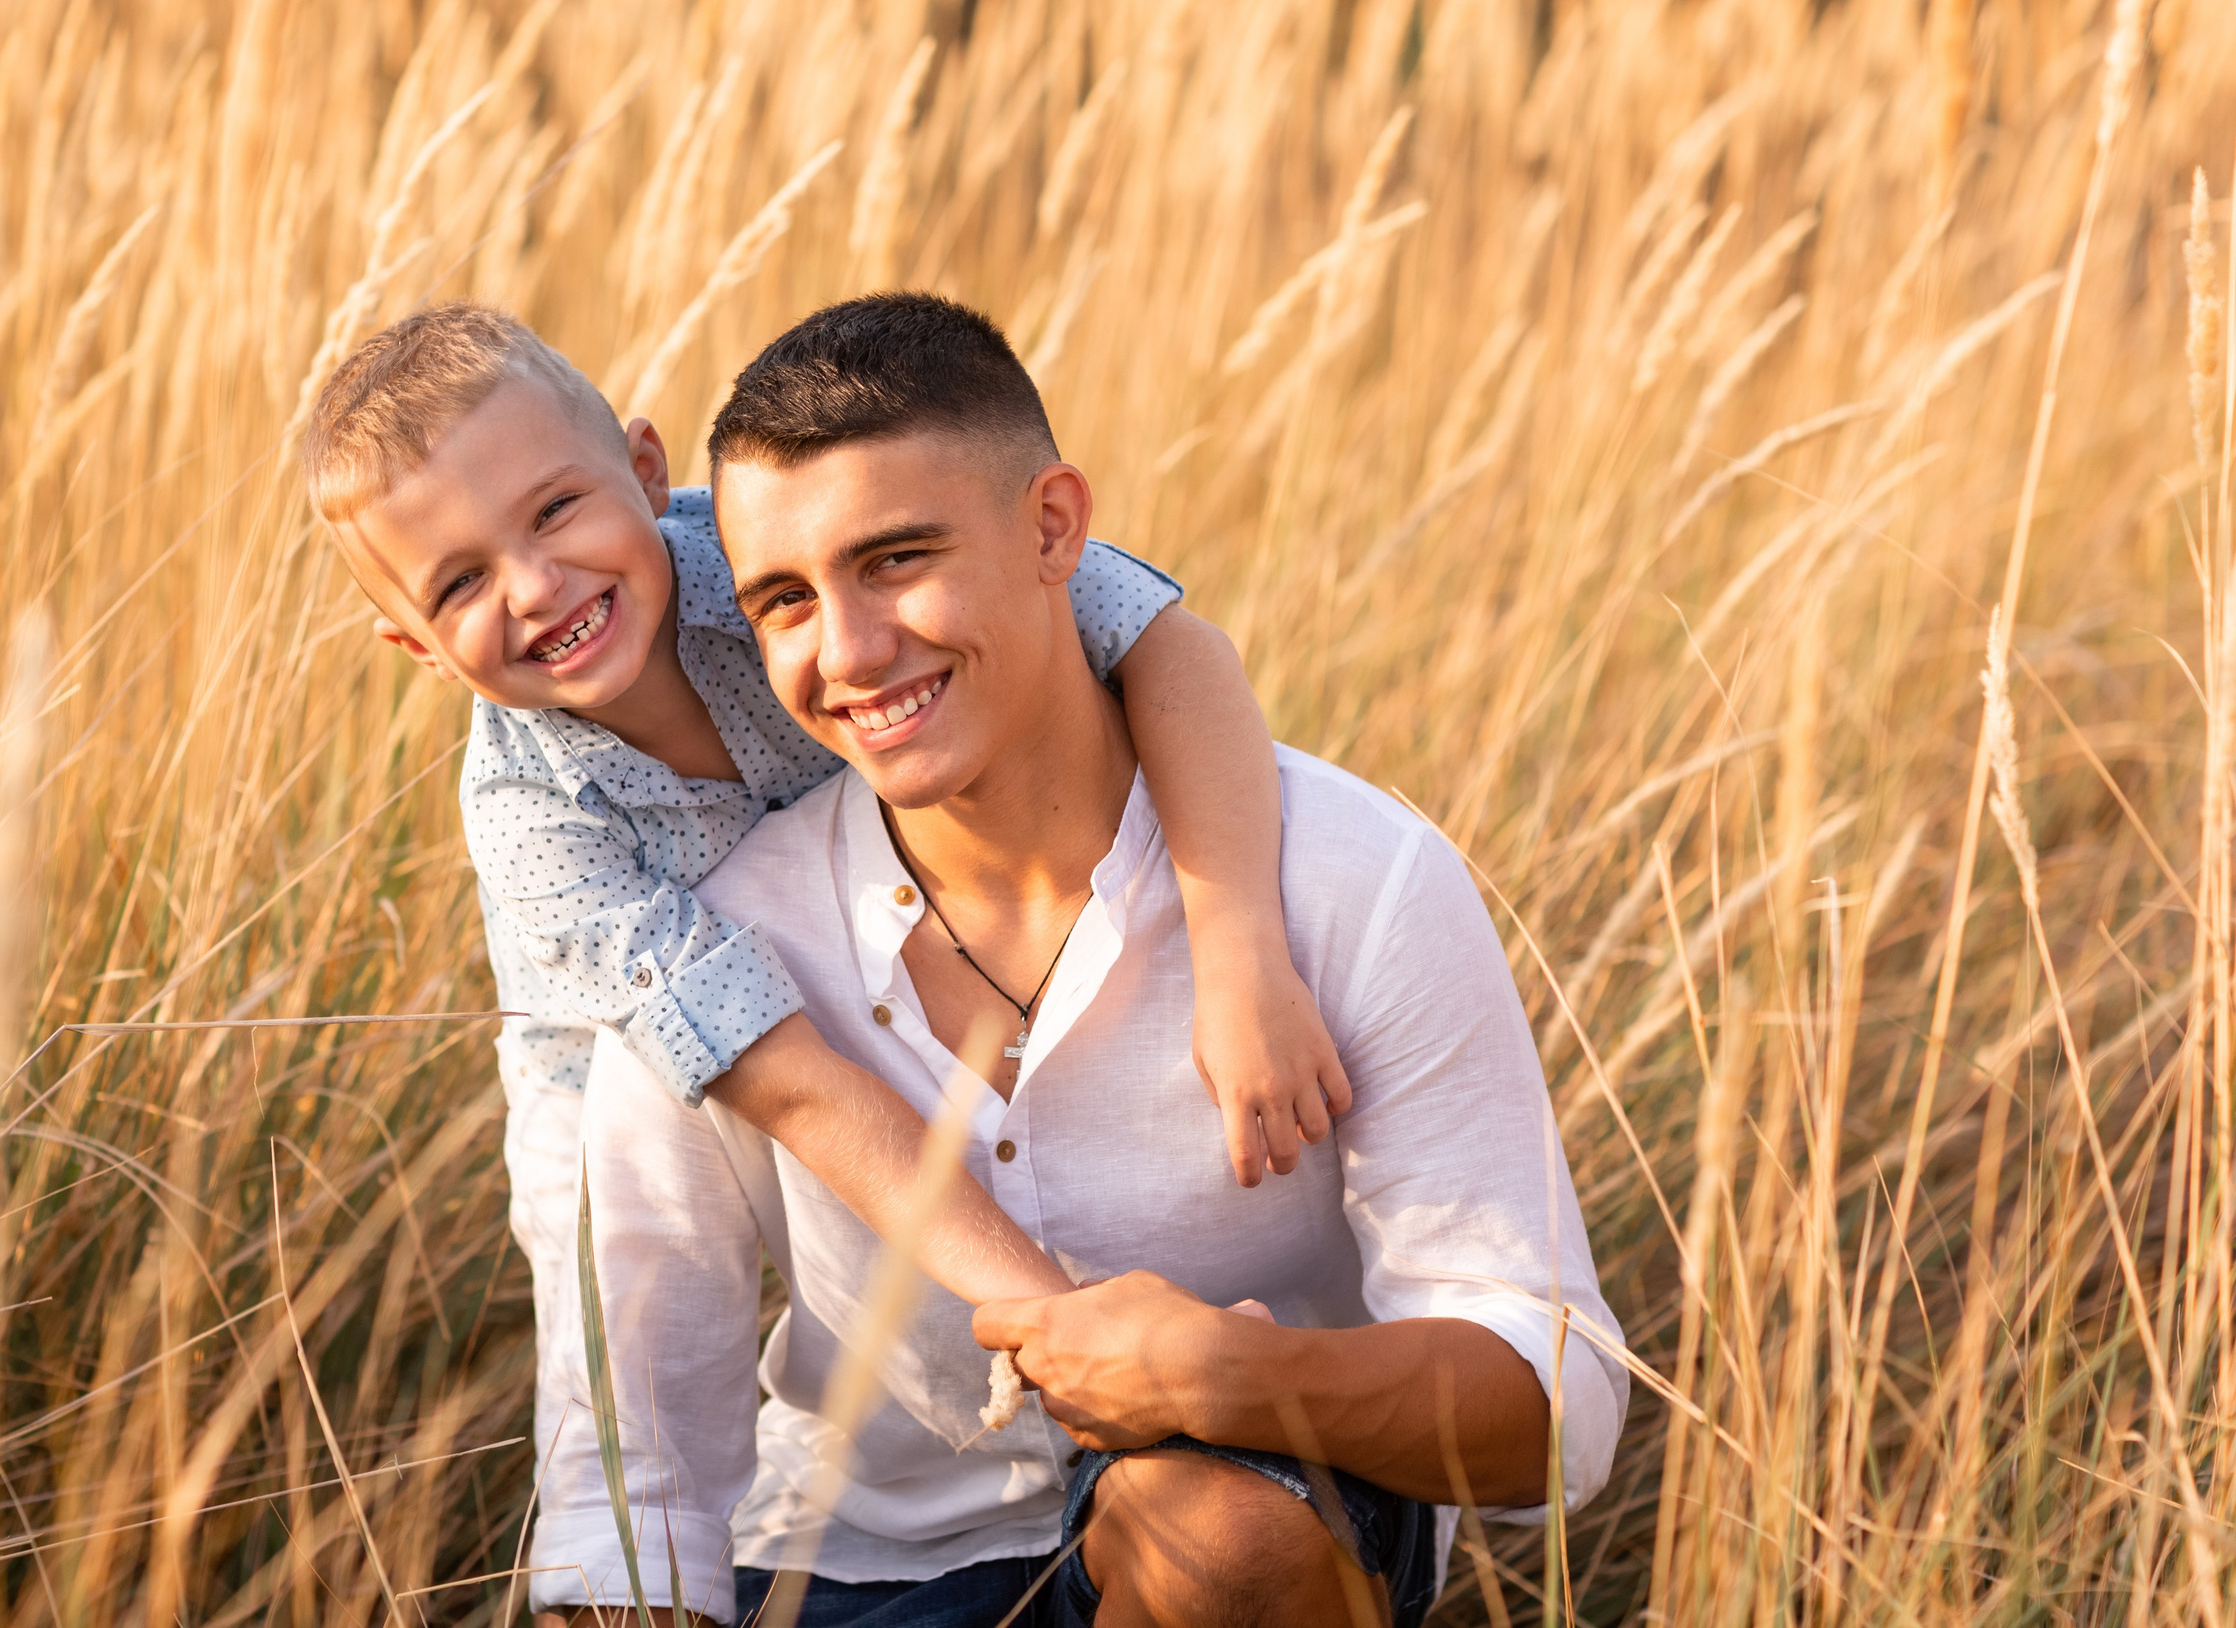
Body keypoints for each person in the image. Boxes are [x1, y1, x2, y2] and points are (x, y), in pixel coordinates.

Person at [535, 295, 1625, 1627]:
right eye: (784, 602)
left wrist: (1232, 1380)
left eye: (896, 559)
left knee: (1220, 1542)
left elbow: (1559, 1410)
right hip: (848, 1567)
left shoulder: (1354, 878)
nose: (849, 652)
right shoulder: (721, 945)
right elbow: (631, 1471)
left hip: (1256, 1525)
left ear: (1055, 527)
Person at [299, 303, 1351, 1508]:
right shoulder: (531, 819)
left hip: (893, 955)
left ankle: (1081, 1459)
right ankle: (664, 1564)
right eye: (459, 582)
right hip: (620, 1062)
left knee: (1011, 1181)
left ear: (644, 467)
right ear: (417, 647)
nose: (536, 587)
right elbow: (790, 1082)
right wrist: (1063, 1328)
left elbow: (1163, 639)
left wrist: (1238, 954)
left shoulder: (791, 553)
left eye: (553, 512)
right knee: (624, 1378)